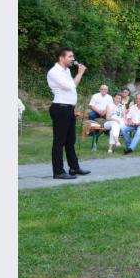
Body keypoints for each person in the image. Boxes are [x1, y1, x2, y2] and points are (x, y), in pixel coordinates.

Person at [47, 47, 91, 179]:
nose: (73, 59)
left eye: (73, 56)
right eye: (70, 56)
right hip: (60, 108)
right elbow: (70, 86)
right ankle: (58, 172)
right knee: (59, 142)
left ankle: (74, 168)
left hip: (68, 109)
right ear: (61, 58)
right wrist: (80, 73)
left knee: (70, 141)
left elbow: (70, 87)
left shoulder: (66, 71)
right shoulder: (54, 72)